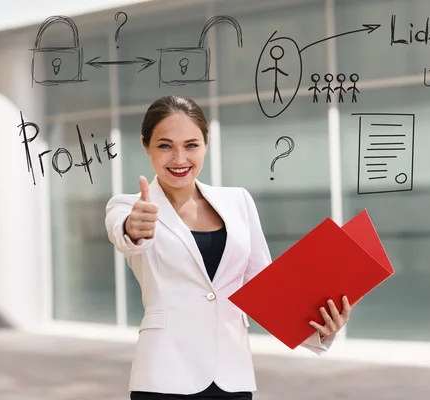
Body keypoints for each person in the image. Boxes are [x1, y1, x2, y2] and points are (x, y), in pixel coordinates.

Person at [104, 94, 353, 399]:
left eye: (191, 145)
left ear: (206, 142)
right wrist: (134, 227)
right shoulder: (128, 207)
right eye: (165, 145)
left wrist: (319, 328)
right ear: (146, 145)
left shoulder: (238, 201)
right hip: (163, 375)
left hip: (232, 376)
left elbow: (265, 287)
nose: (180, 159)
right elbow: (125, 236)